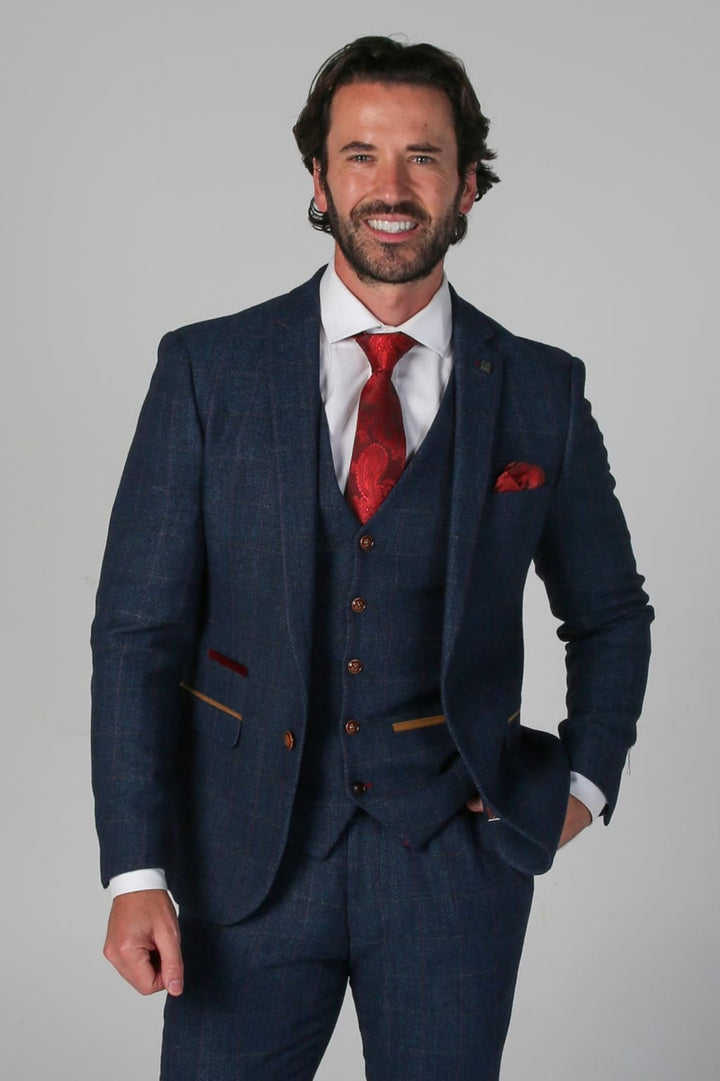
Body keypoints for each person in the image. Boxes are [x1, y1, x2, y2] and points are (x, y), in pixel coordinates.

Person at [91, 35, 652, 1081]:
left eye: (423, 157)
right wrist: (134, 871)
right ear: (318, 180)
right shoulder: (208, 371)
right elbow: (136, 634)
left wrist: (582, 784)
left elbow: (612, 612)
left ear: (469, 185)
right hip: (244, 862)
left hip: (454, 868)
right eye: (360, 155)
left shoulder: (542, 390)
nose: (391, 188)